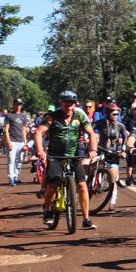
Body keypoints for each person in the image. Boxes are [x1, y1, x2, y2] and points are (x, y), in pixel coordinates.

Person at [33, 90, 98, 231]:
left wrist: (93, 150)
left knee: (82, 186)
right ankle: (48, 209)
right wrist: (40, 151)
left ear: (75, 104)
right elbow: (38, 132)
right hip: (55, 156)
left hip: (74, 156)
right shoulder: (52, 116)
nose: (69, 106)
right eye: (66, 103)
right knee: (52, 185)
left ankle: (86, 219)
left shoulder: (80, 115)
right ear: (61, 103)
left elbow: (91, 133)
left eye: (72, 103)